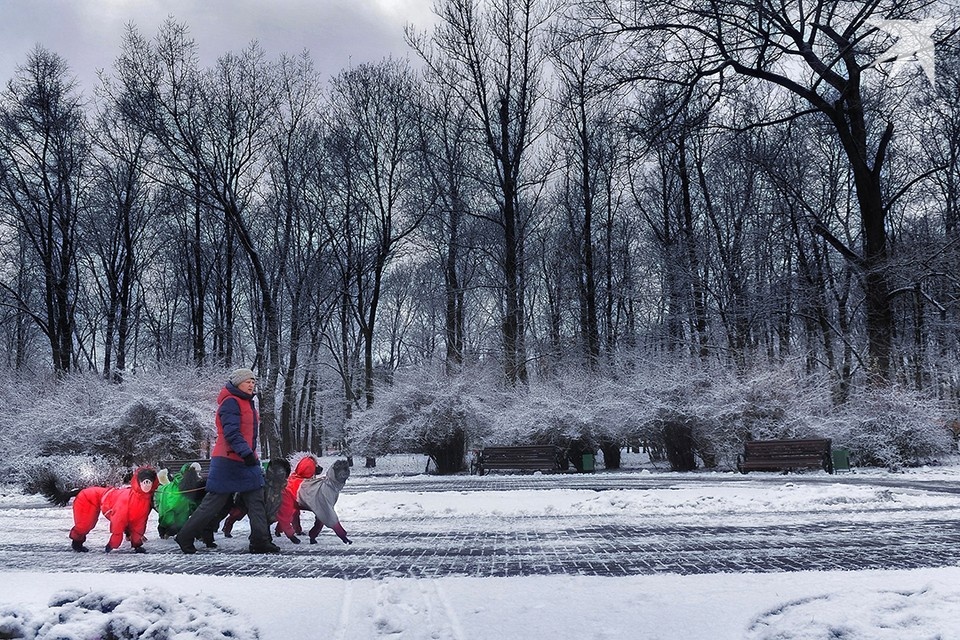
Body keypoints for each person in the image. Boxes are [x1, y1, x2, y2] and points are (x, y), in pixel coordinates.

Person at [175, 368, 279, 554]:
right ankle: (185, 537)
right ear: (238, 382)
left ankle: (260, 541)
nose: (251, 384)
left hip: (247, 459)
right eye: (248, 381)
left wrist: (251, 455)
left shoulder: (249, 402)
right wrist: (246, 453)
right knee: (213, 503)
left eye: (253, 381)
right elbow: (231, 433)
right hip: (228, 460)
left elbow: (249, 435)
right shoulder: (230, 402)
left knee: (256, 501)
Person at [41, 466, 159, 553]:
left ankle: (136, 545)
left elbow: (139, 523)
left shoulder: (145, 501)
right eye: (144, 481)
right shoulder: (126, 499)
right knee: (86, 524)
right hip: (88, 498)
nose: (147, 484)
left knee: (138, 522)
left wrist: (137, 544)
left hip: (105, 495)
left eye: (149, 481)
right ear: (138, 481)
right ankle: (77, 542)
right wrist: (113, 544)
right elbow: (118, 522)